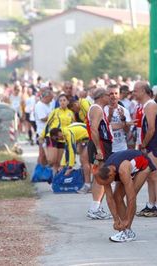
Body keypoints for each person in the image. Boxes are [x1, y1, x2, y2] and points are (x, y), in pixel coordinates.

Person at [94, 150, 156, 242]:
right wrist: (116, 220)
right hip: (125, 167)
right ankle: (126, 231)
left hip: (143, 166)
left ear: (111, 176)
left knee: (131, 193)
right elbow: (110, 198)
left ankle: (127, 231)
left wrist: (127, 220)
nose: (106, 186)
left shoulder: (123, 170)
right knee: (116, 197)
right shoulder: (105, 171)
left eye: (106, 183)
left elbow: (131, 198)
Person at [133, 81, 157, 218]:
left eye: (135, 91)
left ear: (143, 91)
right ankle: (151, 204)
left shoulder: (151, 105)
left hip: (154, 145)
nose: (133, 93)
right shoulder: (145, 105)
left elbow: (151, 129)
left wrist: (144, 144)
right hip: (150, 145)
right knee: (149, 177)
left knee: (155, 176)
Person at [85, 88, 113, 219]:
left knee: (100, 175)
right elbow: (94, 129)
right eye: (109, 95)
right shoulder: (97, 108)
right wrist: (99, 149)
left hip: (101, 143)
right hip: (100, 144)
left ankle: (96, 207)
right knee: (100, 176)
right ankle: (94, 208)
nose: (111, 97)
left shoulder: (99, 108)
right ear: (102, 97)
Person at [40, 94, 75, 173]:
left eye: (64, 100)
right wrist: (42, 136)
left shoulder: (71, 113)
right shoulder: (55, 112)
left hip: (63, 138)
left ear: (68, 102)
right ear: (58, 102)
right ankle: (44, 146)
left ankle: (55, 180)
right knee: (51, 160)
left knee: (59, 163)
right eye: (60, 100)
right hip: (53, 137)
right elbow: (47, 124)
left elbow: (73, 126)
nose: (62, 102)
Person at [49, 123, 90, 190]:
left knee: (84, 160)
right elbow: (67, 151)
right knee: (82, 161)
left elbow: (72, 151)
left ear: (59, 133)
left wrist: (70, 167)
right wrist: (62, 165)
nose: (58, 140)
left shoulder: (68, 134)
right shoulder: (64, 132)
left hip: (90, 136)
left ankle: (88, 185)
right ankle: (86, 183)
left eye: (57, 138)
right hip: (83, 139)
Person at [104, 84, 132, 153]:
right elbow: (105, 127)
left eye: (116, 93)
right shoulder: (103, 109)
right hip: (108, 148)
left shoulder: (124, 110)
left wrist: (123, 119)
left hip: (122, 148)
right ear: (107, 95)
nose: (114, 96)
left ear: (119, 95)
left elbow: (127, 130)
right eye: (111, 93)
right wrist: (110, 115)